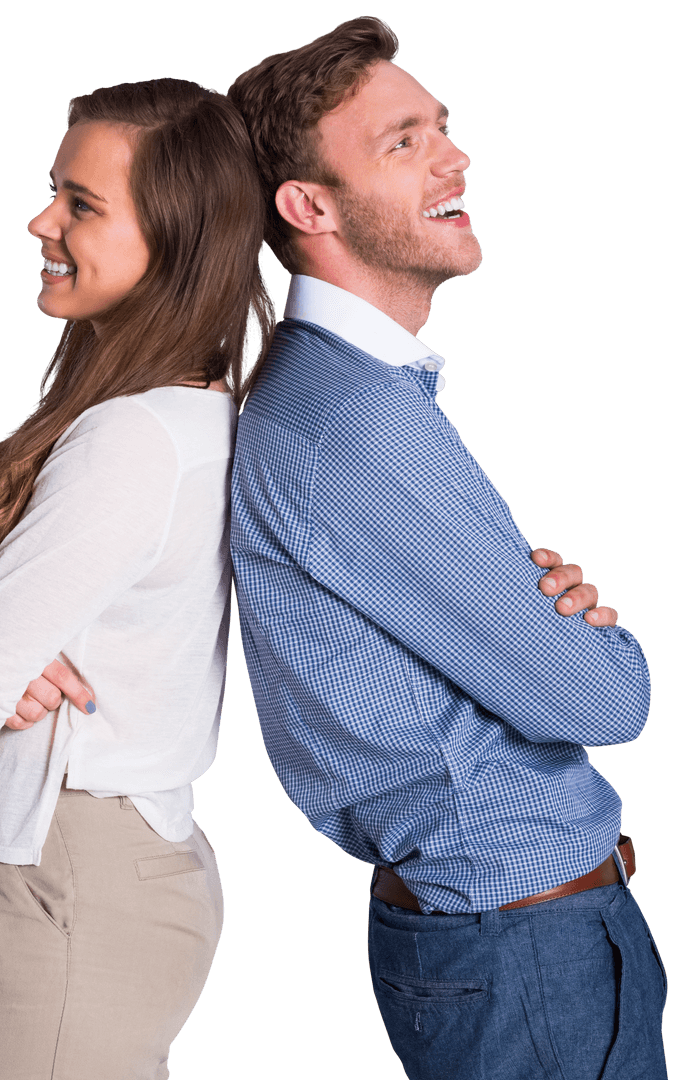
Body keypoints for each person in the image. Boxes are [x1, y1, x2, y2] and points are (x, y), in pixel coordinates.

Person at [228, 17, 666, 1079]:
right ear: (308, 207)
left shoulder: (349, 401)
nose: (452, 154)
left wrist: (534, 613)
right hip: (522, 943)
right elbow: (607, 703)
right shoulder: (353, 426)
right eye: (401, 141)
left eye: (441, 128)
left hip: (505, 934)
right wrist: (586, 639)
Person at [0, 78, 274, 1080]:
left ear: (173, 241)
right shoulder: (186, 420)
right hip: (100, 886)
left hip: (73, 898)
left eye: (81, 204)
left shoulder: (130, 441)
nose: (39, 220)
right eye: (54, 189)